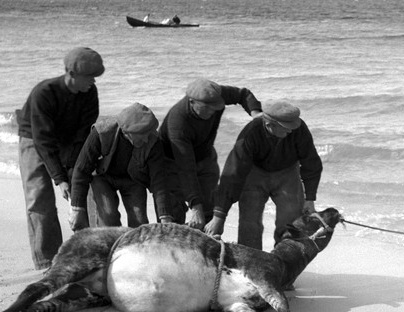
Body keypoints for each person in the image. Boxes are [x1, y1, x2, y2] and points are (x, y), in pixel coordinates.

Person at [16, 47, 104, 270]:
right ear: (71, 74)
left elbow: (83, 136)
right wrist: (60, 178)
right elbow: (43, 141)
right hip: (33, 139)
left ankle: (92, 253)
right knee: (39, 196)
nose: (93, 81)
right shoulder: (44, 93)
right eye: (89, 76)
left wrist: (74, 173)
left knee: (85, 189)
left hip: (69, 140)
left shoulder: (89, 93)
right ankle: (48, 262)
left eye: (95, 77)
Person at [204, 101, 323, 250]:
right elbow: (233, 174)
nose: (291, 131)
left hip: (287, 173)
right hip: (255, 174)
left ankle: (285, 256)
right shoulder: (250, 134)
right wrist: (219, 216)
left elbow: (311, 164)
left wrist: (310, 199)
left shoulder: (299, 129)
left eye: (294, 127)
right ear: (269, 125)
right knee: (250, 221)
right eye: (287, 129)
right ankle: (250, 256)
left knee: (290, 219)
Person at [158, 78, 262, 230]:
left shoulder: (217, 94)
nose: (211, 112)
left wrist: (256, 114)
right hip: (174, 161)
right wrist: (195, 206)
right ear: (191, 102)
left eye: (215, 108)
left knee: (209, 206)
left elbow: (243, 94)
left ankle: (208, 246)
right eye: (206, 108)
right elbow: (186, 168)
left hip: (205, 155)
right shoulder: (178, 121)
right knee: (176, 211)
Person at [68, 103, 176, 231]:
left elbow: (159, 182)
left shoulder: (153, 141)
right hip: (104, 177)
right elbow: (81, 169)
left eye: (149, 133)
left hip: (134, 179)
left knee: (139, 223)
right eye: (143, 135)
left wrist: (165, 217)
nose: (147, 139)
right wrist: (77, 208)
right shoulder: (101, 132)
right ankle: (112, 249)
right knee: (109, 220)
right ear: (127, 132)